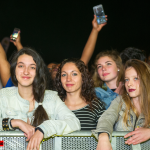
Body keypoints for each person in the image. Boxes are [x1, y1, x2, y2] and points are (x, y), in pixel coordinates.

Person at [0, 48, 80, 150]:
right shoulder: (3, 96)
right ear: (14, 69)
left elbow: (74, 122)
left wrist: (43, 129)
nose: (26, 71)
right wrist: (15, 122)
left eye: (32, 67)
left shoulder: (51, 98)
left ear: (38, 72)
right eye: (21, 66)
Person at [93, 59, 150, 150]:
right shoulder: (120, 101)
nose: (129, 84)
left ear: (146, 80)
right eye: (127, 79)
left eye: (135, 78)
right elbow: (107, 118)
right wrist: (103, 137)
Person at [55, 58, 105, 130]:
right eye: (64, 75)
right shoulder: (53, 105)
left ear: (83, 78)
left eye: (74, 74)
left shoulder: (96, 106)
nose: (68, 79)